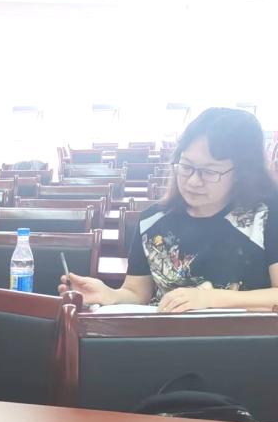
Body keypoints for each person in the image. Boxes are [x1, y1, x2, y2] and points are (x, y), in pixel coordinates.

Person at [60, 108, 278, 311]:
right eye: (186, 166)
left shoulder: (267, 215)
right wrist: (109, 295)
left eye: (209, 172)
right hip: (166, 336)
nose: (193, 181)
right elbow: (137, 293)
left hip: (248, 338)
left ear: (243, 173)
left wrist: (210, 299)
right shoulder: (152, 220)